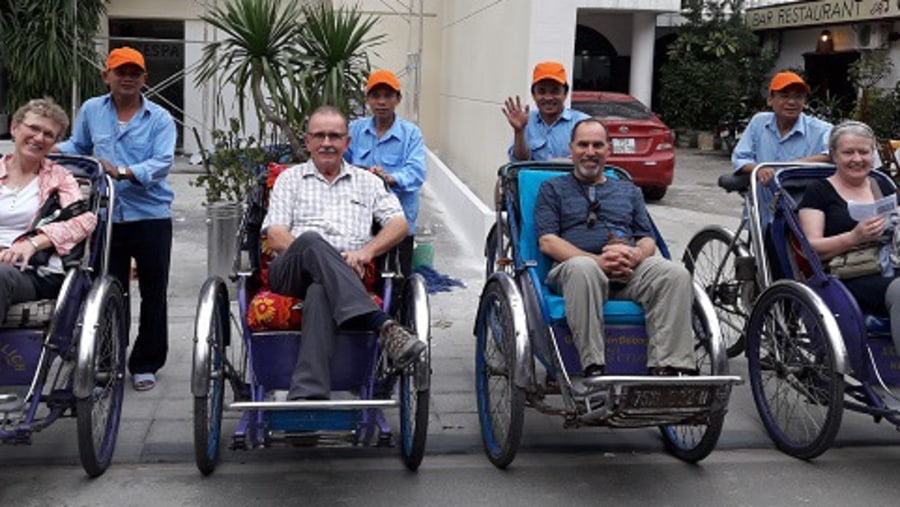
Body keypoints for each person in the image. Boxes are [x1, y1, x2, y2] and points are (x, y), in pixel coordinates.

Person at [262, 106, 426, 400]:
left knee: (319, 292)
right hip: (290, 269)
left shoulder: (368, 182)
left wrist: (367, 251)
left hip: (346, 274)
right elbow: (275, 235)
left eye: (335, 136)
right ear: (307, 141)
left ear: (347, 143)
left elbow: (399, 224)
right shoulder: (290, 179)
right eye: (319, 135)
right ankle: (382, 325)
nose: (327, 142)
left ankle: (307, 396)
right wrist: (327, 255)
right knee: (312, 240)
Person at [56, 46, 177, 392]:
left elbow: (162, 163)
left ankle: (146, 363)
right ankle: (108, 361)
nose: (127, 78)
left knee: (154, 292)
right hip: (106, 216)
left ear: (144, 79)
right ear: (106, 76)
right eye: (120, 72)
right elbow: (78, 145)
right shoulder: (93, 109)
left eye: (134, 73)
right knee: (108, 289)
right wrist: (39, 148)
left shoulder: (160, 119)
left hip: (150, 216)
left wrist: (122, 171)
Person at [534, 118, 695, 377]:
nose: (590, 152)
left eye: (598, 145)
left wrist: (635, 255)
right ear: (571, 149)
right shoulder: (552, 188)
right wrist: (598, 261)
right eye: (583, 145)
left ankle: (668, 369)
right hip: (576, 273)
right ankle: (593, 368)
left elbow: (647, 238)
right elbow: (547, 241)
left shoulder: (628, 190)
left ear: (608, 150)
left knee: (675, 274)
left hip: (628, 273)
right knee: (583, 268)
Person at [798, 120, 900, 355]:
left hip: (889, 265)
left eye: (863, 152)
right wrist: (854, 237)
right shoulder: (819, 191)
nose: (857, 159)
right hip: (848, 275)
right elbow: (810, 248)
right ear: (834, 155)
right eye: (848, 152)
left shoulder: (881, 186)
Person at [0, 98, 97, 323]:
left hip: (31, 272)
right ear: (14, 128)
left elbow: (84, 221)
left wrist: (32, 243)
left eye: (48, 134)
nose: (39, 138)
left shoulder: (60, 177)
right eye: (33, 128)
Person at [345, 69, 426, 276]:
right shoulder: (354, 130)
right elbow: (340, 165)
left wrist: (390, 178)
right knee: (357, 275)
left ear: (397, 99)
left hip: (398, 221)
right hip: (359, 219)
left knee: (398, 279)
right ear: (367, 100)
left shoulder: (411, 134)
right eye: (375, 96)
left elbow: (416, 173)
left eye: (388, 96)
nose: (381, 102)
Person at [732, 71, 832, 184]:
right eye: (784, 96)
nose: (791, 102)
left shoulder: (821, 129)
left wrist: (794, 166)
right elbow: (740, 158)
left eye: (798, 97)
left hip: (804, 197)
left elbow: (836, 154)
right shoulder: (759, 122)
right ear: (770, 100)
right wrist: (758, 169)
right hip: (763, 196)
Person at [503, 61, 590, 162]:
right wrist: (519, 131)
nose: (548, 97)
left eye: (555, 91)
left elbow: (590, 159)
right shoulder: (526, 121)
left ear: (565, 93)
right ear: (533, 95)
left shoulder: (583, 123)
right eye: (541, 91)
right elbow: (520, 161)